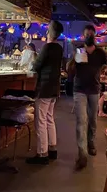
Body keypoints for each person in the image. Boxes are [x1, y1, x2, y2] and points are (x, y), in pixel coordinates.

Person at [26, 21, 63, 165]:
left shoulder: (47, 47)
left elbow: (36, 66)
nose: (46, 31)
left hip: (45, 87)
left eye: (48, 29)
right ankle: (52, 149)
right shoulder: (59, 48)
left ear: (50, 32)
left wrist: (32, 57)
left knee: (40, 120)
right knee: (49, 118)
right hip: (54, 87)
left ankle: (42, 154)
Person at [73, 24, 107, 170]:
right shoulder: (79, 50)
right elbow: (71, 68)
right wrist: (74, 61)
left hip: (94, 89)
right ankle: (82, 153)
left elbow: (105, 65)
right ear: (83, 35)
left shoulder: (100, 53)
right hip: (79, 89)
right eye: (87, 34)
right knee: (81, 120)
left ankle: (91, 142)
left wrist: (102, 72)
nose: (89, 37)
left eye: (91, 35)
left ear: (94, 36)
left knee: (92, 119)